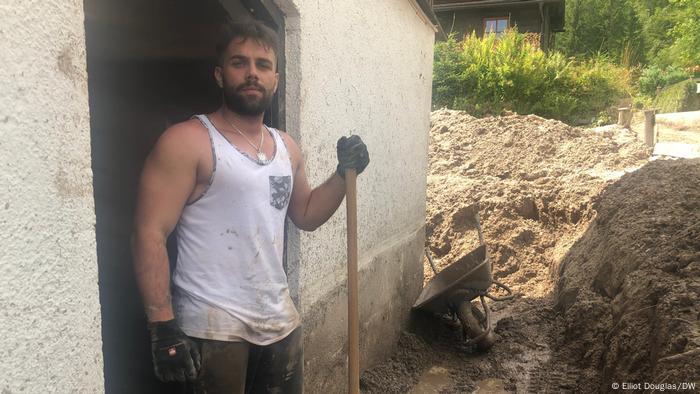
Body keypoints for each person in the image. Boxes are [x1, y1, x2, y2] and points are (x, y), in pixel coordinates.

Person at [131, 20, 369, 393]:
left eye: (262, 64)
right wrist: (162, 326)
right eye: (239, 63)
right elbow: (149, 232)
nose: (252, 73)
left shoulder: (286, 147)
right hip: (212, 332)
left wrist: (343, 174)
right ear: (219, 74)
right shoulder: (187, 141)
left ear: (275, 78)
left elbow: (305, 213)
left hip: (279, 324)